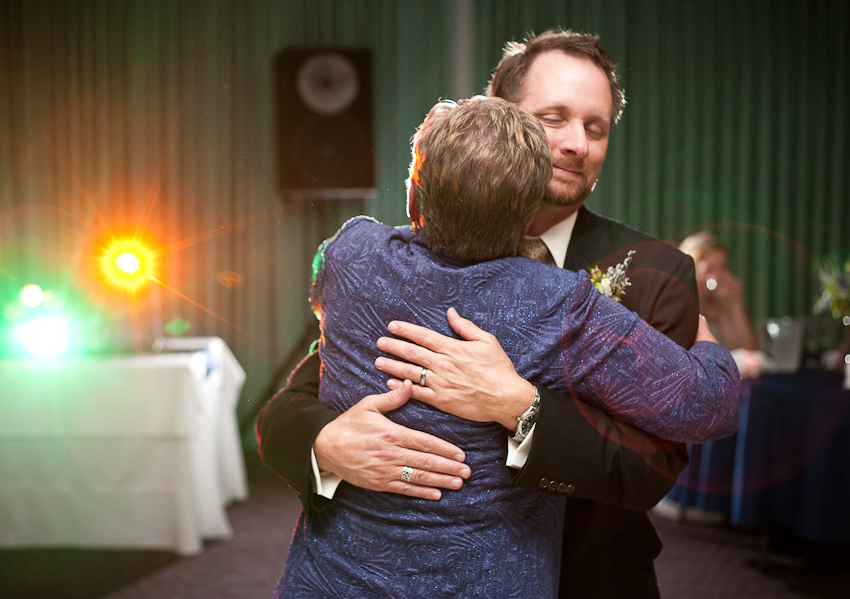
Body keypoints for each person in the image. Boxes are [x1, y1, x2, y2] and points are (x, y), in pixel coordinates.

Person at [258, 29, 705, 598]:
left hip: (588, 579)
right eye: (554, 118)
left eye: (596, 128)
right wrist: (325, 445)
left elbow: (652, 467)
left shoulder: (656, 272)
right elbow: (289, 409)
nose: (577, 144)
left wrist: (520, 407)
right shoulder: (402, 256)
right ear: (499, 114)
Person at [679, 231, 770, 377]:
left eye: (722, 267)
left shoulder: (720, 307)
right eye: (709, 268)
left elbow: (748, 354)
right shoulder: (675, 306)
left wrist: (735, 304)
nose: (717, 275)